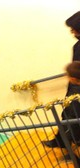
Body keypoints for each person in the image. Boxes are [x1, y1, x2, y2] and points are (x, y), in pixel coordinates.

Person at [42, 12, 80, 149]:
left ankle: (68, 148)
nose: (71, 31)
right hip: (74, 86)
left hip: (77, 89)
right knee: (67, 116)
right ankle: (62, 142)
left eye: (73, 28)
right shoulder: (77, 45)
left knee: (72, 118)